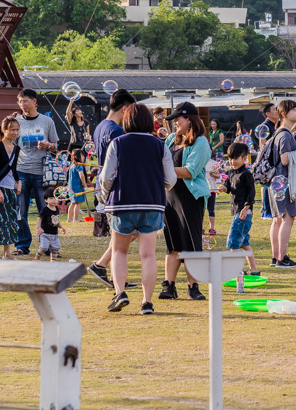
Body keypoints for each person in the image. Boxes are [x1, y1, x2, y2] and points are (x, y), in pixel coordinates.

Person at [100, 102, 176, 314]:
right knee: (148, 256)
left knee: (119, 251)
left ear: (127, 121)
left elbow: (106, 177)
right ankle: (147, 302)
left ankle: (120, 293)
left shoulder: (118, 143)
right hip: (152, 204)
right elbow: (170, 179)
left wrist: (106, 195)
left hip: (122, 203)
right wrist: (157, 185)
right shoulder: (160, 145)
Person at [85, 89, 137, 289]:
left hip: (105, 186)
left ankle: (112, 275)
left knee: (124, 233)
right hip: (115, 188)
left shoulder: (100, 127)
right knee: (125, 232)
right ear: (124, 109)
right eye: (130, 111)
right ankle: (102, 266)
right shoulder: (116, 131)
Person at [160, 102, 211, 301]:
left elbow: (190, 171)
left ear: (189, 119)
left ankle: (194, 287)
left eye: (177, 119)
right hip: (170, 197)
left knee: (190, 243)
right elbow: (160, 160)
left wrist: (160, 171)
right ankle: (169, 286)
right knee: (172, 243)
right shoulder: (171, 139)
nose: (174, 124)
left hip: (190, 198)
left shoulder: (201, 143)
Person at [12, 89, 59, 256]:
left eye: (25, 101)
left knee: (46, 210)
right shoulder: (16, 122)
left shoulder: (47, 121)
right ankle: (22, 245)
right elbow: (11, 147)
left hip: (42, 173)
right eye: (19, 101)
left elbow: (55, 145)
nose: (22, 104)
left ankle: (50, 247)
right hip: (21, 171)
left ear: (34, 101)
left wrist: (48, 145)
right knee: (21, 211)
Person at [268, 99, 296, 269]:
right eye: (294, 109)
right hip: (284, 180)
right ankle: (282, 258)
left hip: (276, 181)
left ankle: (275, 257)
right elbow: (285, 160)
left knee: (277, 220)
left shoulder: (282, 132)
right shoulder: (284, 135)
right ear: (284, 114)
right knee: (287, 218)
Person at [219, 142, 259, 275]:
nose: (232, 161)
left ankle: (238, 270)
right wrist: (223, 188)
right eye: (230, 158)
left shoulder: (246, 174)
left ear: (244, 159)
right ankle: (254, 270)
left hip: (243, 214)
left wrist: (245, 208)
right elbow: (227, 186)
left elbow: (251, 192)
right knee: (244, 243)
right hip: (238, 212)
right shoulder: (231, 172)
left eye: (236, 158)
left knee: (233, 243)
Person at [0, 117, 22, 260]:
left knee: (10, 220)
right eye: (12, 129)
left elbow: (13, 169)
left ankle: (7, 253)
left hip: (11, 188)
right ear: (4, 130)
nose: (15, 132)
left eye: (17, 130)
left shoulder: (16, 148)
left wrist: (18, 181)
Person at [255, 102, 280, 219]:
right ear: (268, 114)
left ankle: (270, 209)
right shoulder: (264, 126)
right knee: (267, 184)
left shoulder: (276, 125)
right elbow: (262, 144)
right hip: (268, 160)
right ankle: (266, 211)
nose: (277, 111)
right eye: (275, 110)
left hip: (276, 158)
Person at [36, 194, 67, 261]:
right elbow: (39, 219)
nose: (54, 200)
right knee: (44, 248)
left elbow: (56, 220)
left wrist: (61, 227)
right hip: (45, 234)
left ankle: (53, 261)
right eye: (51, 198)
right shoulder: (45, 209)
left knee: (55, 248)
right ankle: (37, 258)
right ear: (45, 200)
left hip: (54, 234)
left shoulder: (56, 209)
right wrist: (38, 228)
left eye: (55, 198)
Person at [67, 148, 86, 223]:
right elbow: (82, 176)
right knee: (78, 202)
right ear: (77, 157)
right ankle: (76, 218)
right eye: (82, 156)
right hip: (77, 187)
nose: (83, 157)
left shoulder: (72, 165)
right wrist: (84, 185)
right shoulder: (79, 165)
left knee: (73, 202)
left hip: (71, 187)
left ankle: (69, 219)